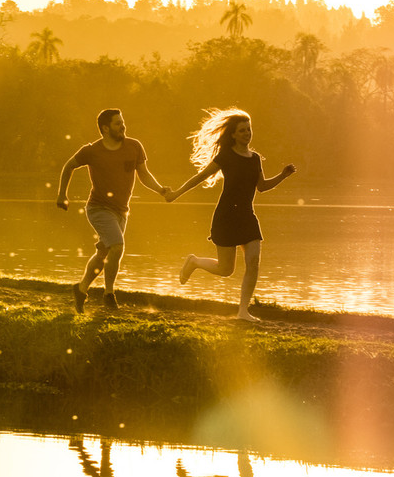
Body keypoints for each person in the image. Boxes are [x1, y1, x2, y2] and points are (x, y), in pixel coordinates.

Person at [166, 108, 295, 321]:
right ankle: (194, 262)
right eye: (242, 130)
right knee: (226, 269)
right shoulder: (226, 156)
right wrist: (176, 194)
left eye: (248, 129)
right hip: (226, 216)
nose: (247, 133)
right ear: (233, 134)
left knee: (253, 262)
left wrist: (283, 175)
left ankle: (243, 311)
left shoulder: (255, 159)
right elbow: (200, 177)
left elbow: (262, 186)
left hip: (247, 216)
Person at [57, 109, 170, 313]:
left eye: (122, 122)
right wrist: (62, 194)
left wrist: (161, 190)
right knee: (117, 246)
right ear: (105, 128)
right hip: (98, 208)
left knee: (103, 253)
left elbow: (144, 175)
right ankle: (109, 294)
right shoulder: (92, 151)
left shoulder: (134, 147)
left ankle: (81, 289)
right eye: (118, 123)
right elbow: (68, 166)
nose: (123, 126)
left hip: (121, 211)